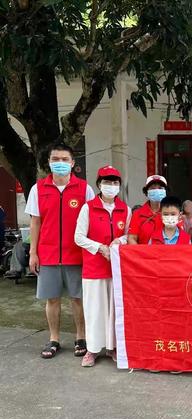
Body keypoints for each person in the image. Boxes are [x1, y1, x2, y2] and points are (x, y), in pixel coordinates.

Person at [25, 143, 95, 359]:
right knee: (52, 299)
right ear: (49, 162)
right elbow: (35, 223)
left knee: (78, 298)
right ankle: (54, 338)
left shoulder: (85, 189)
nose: (60, 163)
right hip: (48, 255)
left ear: (73, 163)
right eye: (56, 159)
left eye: (65, 160)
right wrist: (33, 253)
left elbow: (93, 221)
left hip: (77, 254)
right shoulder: (38, 189)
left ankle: (80, 337)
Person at [74, 166, 131, 367]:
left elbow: (130, 235)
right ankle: (92, 349)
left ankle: (113, 347)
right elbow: (79, 237)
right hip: (93, 269)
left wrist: (119, 241)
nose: (111, 186)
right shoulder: (88, 207)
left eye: (115, 183)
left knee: (114, 310)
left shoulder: (125, 209)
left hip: (116, 269)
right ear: (99, 185)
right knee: (94, 310)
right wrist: (100, 248)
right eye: (107, 182)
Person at [128, 175, 167, 245]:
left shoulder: (172, 213)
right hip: (144, 254)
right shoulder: (137, 214)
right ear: (146, 192)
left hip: (167, 254)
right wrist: (140, 254)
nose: (157, 190)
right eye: (152, 188)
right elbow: (132, 238)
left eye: (160, 188)